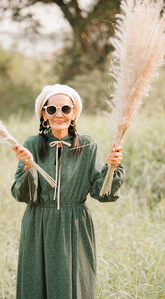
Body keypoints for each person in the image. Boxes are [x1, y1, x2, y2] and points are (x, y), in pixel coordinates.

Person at [11, 84, 124, 299]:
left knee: (74, 287)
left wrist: (112, 167)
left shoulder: (88, 146)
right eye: (51, 109)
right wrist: (27, 166)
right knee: (35, 286)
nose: (59, 114)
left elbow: (101, 193)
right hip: (38, 224)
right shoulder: (32, 145)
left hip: (74, 226)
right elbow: (21, 194)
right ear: (43, 115)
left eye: (65, 108)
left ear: (74, 113)